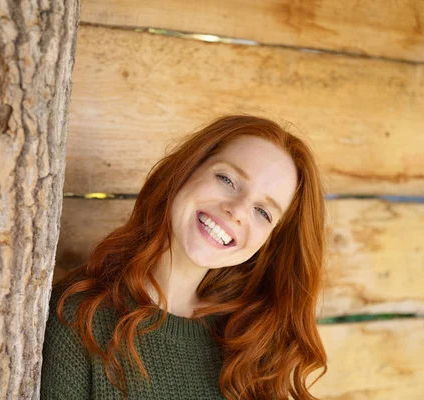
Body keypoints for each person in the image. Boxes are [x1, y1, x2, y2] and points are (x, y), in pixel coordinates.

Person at [40, 114, 328, 399]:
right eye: (227, 179)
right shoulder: (80, 317)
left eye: (263, 212)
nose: (238, 210)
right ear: (187, 170)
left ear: (268, 242)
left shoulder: (250, 348)